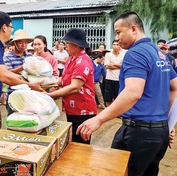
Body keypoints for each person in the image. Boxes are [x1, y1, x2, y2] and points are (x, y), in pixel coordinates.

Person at [77, 11, 177, 176]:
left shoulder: (136, 53)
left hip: (138, 134)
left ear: (133, 29)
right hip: (158, 135)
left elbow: (132, 93)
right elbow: (175, 87)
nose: (116, 38)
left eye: (118, 32)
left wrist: (99, 118)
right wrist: (166, 123)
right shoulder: (159, 53)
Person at [46, 28, 97, 144]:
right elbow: (63, 79)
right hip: (72, 109)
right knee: (73, 141)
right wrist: (45, 84)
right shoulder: (71, 59)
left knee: (80, 145)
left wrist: (50, 95)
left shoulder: (83, 61)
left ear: (77, 45)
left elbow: (75, 87)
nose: (65, 45)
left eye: (67, 43)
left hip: (83, 110)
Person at [3, 29, 33, 115]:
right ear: (14, 43)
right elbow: (8, 74)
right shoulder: (7, 57)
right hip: (13, 96)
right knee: (14, 121)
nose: (23, 45)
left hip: (28, 95)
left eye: (26, 42)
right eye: (20, 42)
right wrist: (22, 67)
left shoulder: (29, 55)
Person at [104, 40, 125, 106]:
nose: (115, 46)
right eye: (114, 44)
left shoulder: (123, 55)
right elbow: (107, 66)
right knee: (108, 97)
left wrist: (113, 64)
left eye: (117, 44)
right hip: (110, 78)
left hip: (119, 79)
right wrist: (119, 65)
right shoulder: (108, 54)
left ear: (120, 46)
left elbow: (124, 66)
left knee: (118, 97)